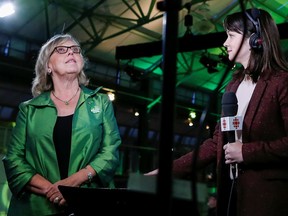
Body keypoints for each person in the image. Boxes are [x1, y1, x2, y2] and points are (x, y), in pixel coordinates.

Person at [146, 8, 288, 216]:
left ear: (255, 39)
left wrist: (246, 152)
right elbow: (216, 143)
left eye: (231, 36)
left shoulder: (282, 82)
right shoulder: (233, 85)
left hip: (268, 200)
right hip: (230, 194)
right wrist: (168, 172)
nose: (225, 43)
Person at [2, 33, 122, 216]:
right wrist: (54, 191)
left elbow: (110, 151)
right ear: (48, 65)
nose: (71, 53)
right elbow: (14, 160)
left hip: (90, 204)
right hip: (37, 209)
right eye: (61, 49)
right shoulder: (29, 109)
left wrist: (72, 184)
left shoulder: (100, 102)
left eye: (76, 50)